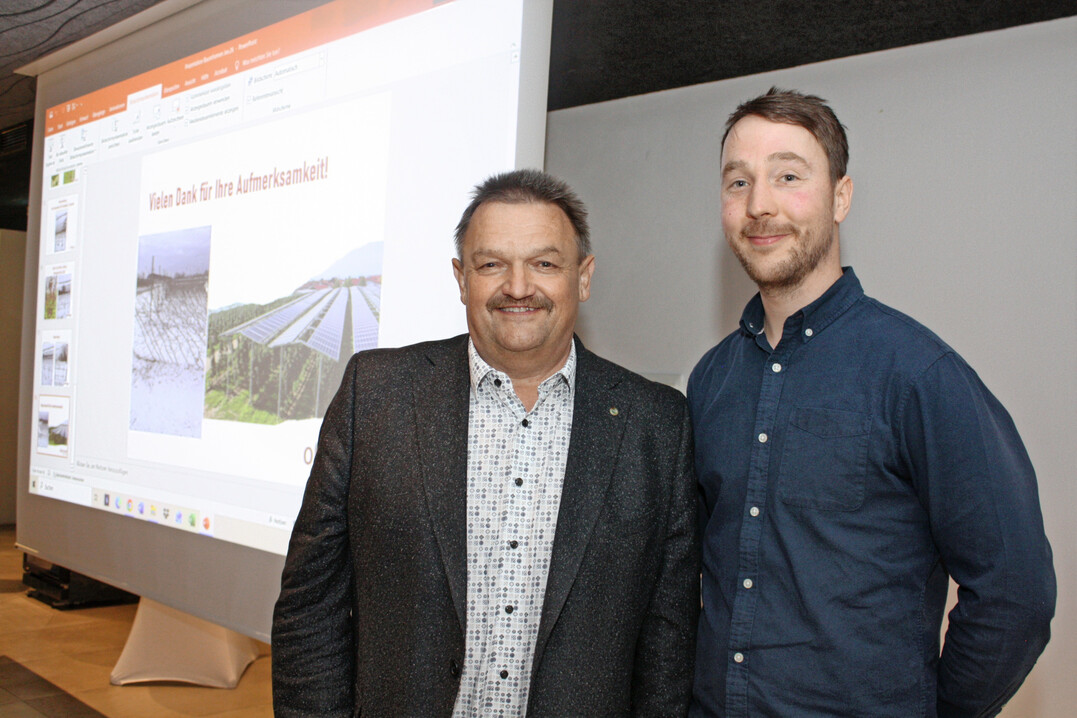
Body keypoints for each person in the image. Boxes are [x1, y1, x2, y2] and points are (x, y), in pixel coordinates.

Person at [272, 168, 699, 717]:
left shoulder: (657, 426)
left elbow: (667, 649)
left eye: (544, 264)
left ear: (583, 277)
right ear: (461, 278)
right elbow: (311, 609)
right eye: (492, 264)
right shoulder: (375, 395)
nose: (518, 287)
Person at [688, 88, 1055, 717]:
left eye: (788, 176)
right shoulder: (710, 380)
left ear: (841, 197)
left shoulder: (918, 374)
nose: (759, 204)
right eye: (738, 181)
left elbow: (1015, 593)